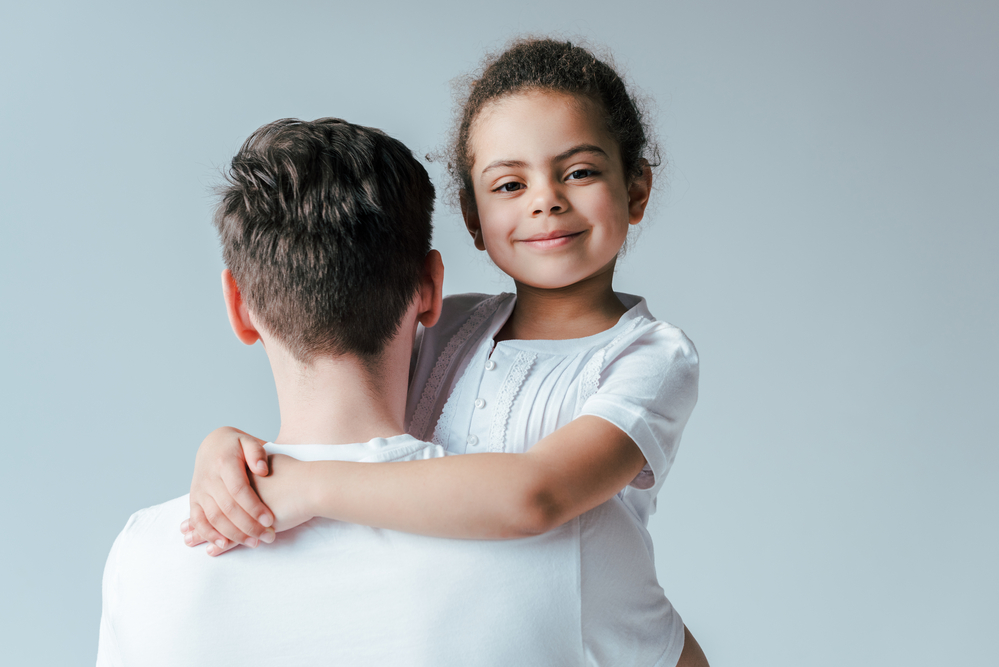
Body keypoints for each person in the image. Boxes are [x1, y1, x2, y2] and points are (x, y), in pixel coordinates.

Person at [98, 116, 701, 666]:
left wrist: (284, 474)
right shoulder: (576, 544)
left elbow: (533, 492)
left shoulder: (147, 555)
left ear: (239, 306)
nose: (544, 202)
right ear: (433, 290)